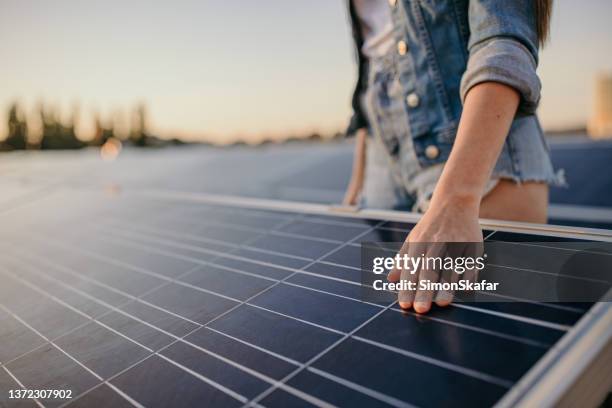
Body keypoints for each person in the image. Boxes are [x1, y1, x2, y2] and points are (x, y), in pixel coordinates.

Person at [342, 0, 563, 314]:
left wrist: (458, 196)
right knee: (403, 332)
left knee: (471, 343)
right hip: (383, 160)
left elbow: (502, 42)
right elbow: (368, 70)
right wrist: (359, 177)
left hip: (472, 154)